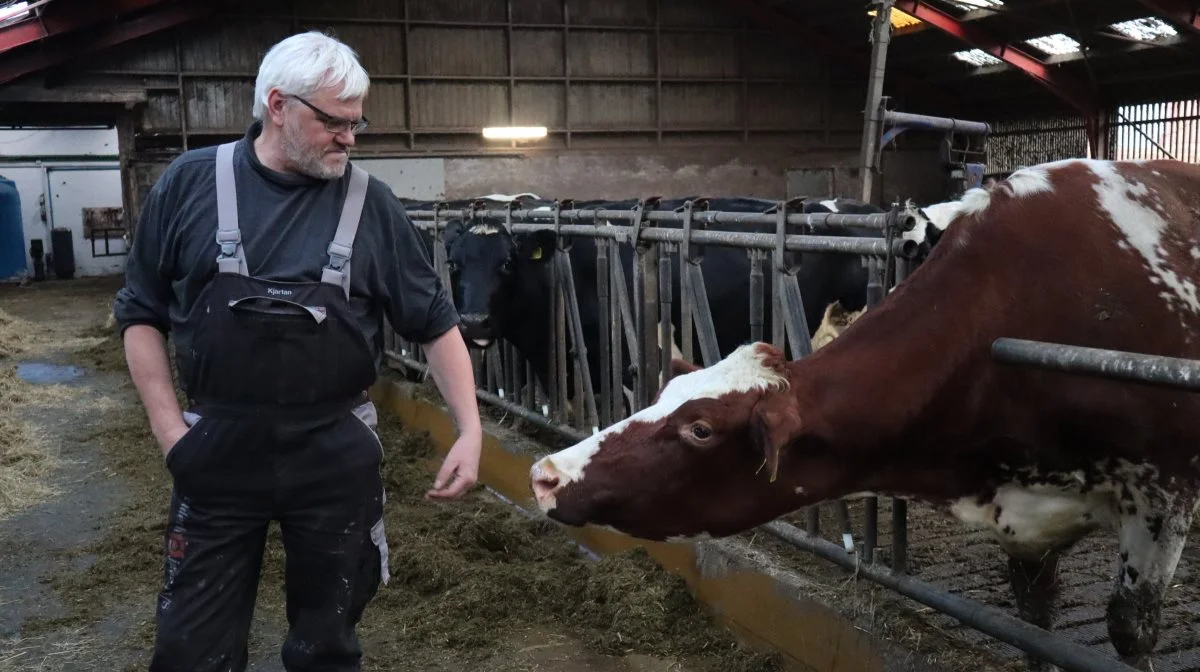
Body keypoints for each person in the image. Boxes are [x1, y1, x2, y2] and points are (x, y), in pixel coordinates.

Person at [112, 30, 483, 671]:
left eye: (356, 121)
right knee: (189, 648)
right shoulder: (188, 185)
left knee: (327, 644)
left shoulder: (371, 204)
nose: (350, 137)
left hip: (334, 447)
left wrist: (471, 429)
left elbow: (435, 324)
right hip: (216, 446)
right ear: (277, 106)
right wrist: (173, 435)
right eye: (334, 122)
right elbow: (139, 315)